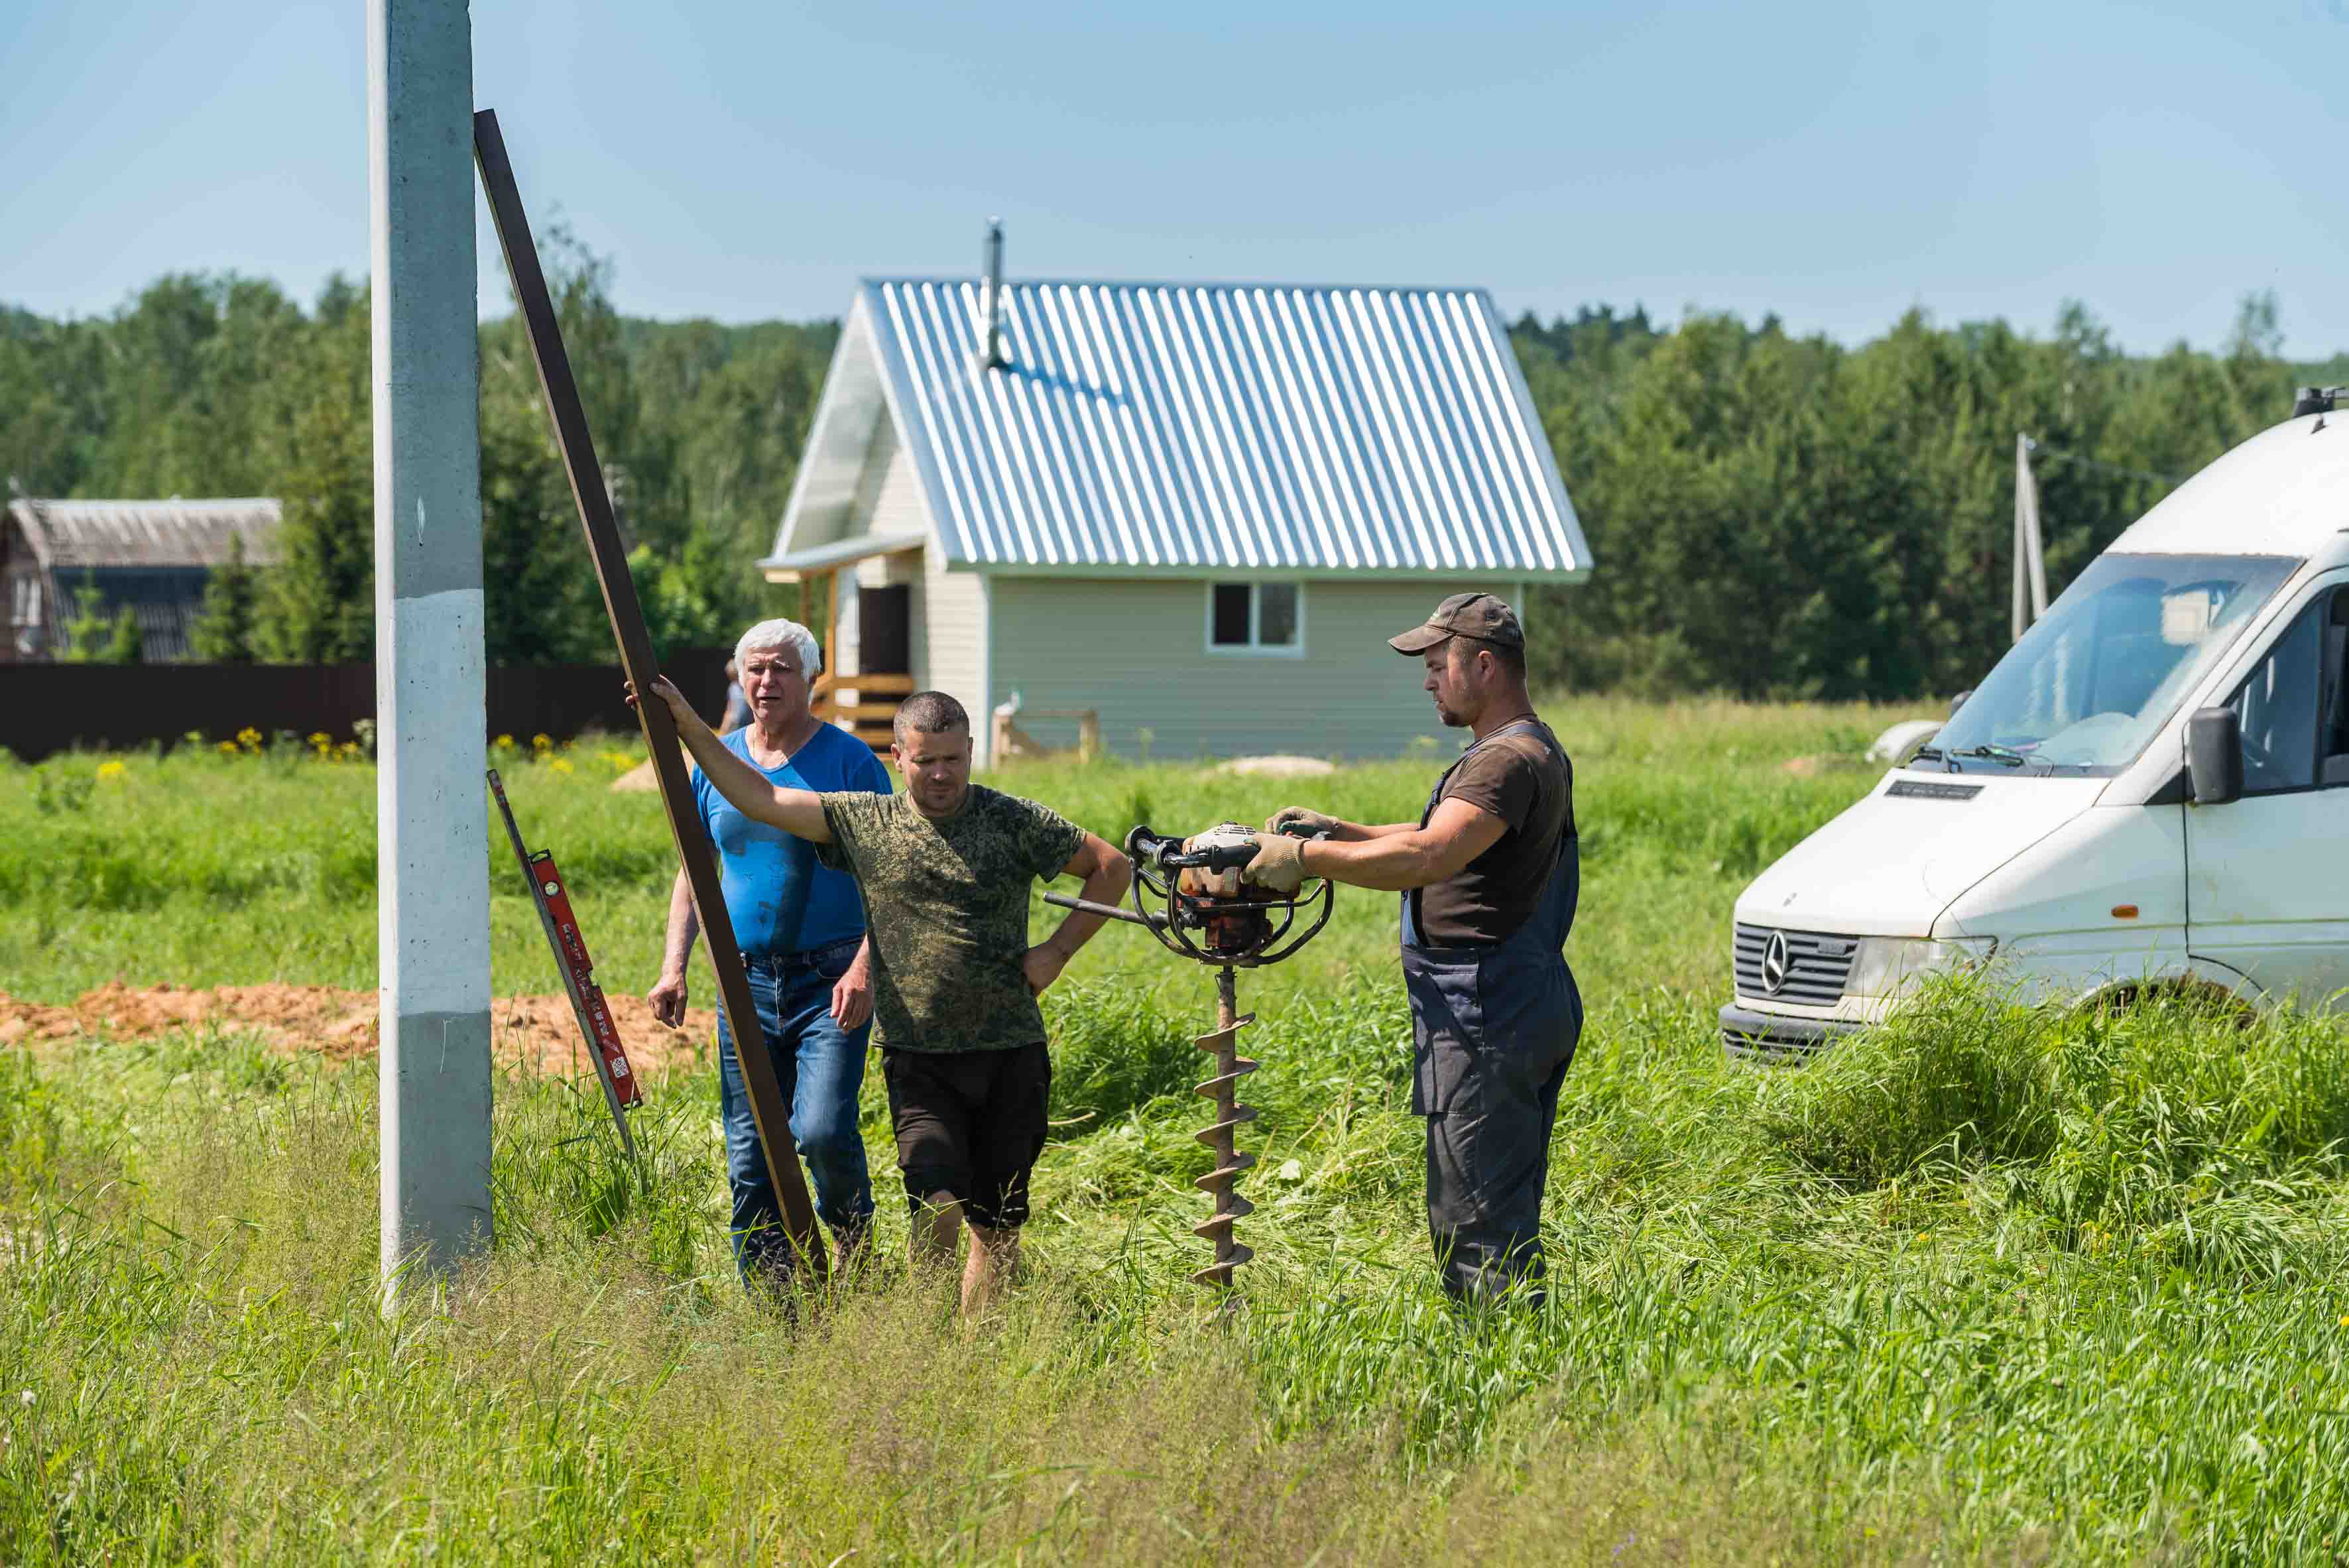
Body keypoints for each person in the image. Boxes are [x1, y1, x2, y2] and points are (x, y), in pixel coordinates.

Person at [635, 677, 1132, 1316]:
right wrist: (685, 722)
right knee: (936, 1203)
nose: (941, 774)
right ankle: (925, 1341)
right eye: (925, 760)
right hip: (920, 1059)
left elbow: (1111, 866)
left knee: (997, 1225)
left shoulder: (1013, 821)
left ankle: (972, 1360)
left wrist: (1056, 951)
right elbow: (760, 797)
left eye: (953, 758)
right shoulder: (868, 822)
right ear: (898, 758)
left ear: (972, 751)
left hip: (1011, 1051)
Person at [1248, 591, 1580, 1303]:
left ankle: (1501, 1375)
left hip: (1487, 1007)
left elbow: (1430, 856)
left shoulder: (1504, 762)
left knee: (1477, 1224)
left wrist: (1305, 859)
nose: (1427, 680)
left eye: (1437, 665)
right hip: (1513, 995)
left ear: (1483, 665)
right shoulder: (1526, 748)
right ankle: (1516, 1359)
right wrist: (1340, 829)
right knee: (1495, 1207)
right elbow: (1439, 833)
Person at [647, 619, 888, 1292]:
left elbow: (890, 877)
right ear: (739, 676)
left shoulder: (850, 763)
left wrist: (865, 967)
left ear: (812, 677)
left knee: (818, 1129)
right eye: (754, 668)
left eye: (782, 667)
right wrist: (675, 965)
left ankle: (854, 1242)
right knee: (751, 1155)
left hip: (831, 981)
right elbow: (694, 870)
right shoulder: (718, 760)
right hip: (746, 984)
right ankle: (776, 1308)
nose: (767, 680)